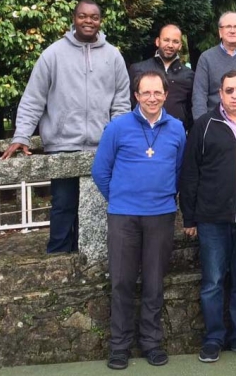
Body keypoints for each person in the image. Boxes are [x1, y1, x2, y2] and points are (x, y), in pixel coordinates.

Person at [0, 0, 130, 253]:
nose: (88, 21)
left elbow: (121, 103)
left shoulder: (113, 56)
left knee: (95, 205)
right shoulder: (53, 54)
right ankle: (58, 257)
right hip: (62, 144)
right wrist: (22, 135)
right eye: (83, 16)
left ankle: (91, 259)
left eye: (94, 17)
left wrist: (115, 138)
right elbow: (34, 98)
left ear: (100, 21)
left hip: (100, 147)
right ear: (74, 18)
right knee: (63, 203)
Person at [91, 70, 186, 370]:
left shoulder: (178, 128)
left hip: (160, 215)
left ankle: (151, 343)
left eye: (157, 92)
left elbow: (179, 169)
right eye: (146, 92)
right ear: (136, 95)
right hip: (123, 216)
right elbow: (100, 171)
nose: (152, 97)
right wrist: (120, 197)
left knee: (154, 283)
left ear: (165, 95)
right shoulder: (117, 127)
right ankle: (119, 347)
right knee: (121, 282)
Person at [180, 70, 236, 363]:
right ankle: (213, 338)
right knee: (213, 282)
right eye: (228, 90)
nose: (234, 95)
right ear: (220, 94)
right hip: (212, 219)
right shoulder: (205, 125)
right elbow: (190, 172)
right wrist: (189, 217)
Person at [129, 24, 194, 131]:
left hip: (175, 133)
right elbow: (130, 103)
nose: (170, 45)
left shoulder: (188, 75)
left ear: (180, 46)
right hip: (142, 131)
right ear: (157, 41)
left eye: (175, 41)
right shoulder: (138, 69)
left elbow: (190, 109)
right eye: (166, 40)